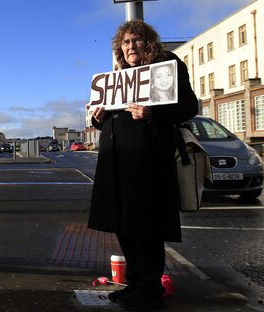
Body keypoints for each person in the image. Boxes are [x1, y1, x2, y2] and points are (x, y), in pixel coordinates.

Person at [87, 21, 198, 310]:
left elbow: (188, 107)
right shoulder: (120, 74)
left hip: (147, 162)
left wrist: (152, 112)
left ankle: (149, 290)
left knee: (145, 226)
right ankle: (134, 284)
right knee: (123, 225)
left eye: (136, 41)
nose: (130, 47)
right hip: (117, 162)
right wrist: (98, 119)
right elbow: (113, 115)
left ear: (148, 42)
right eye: (125, 43)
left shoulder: (166, 65)